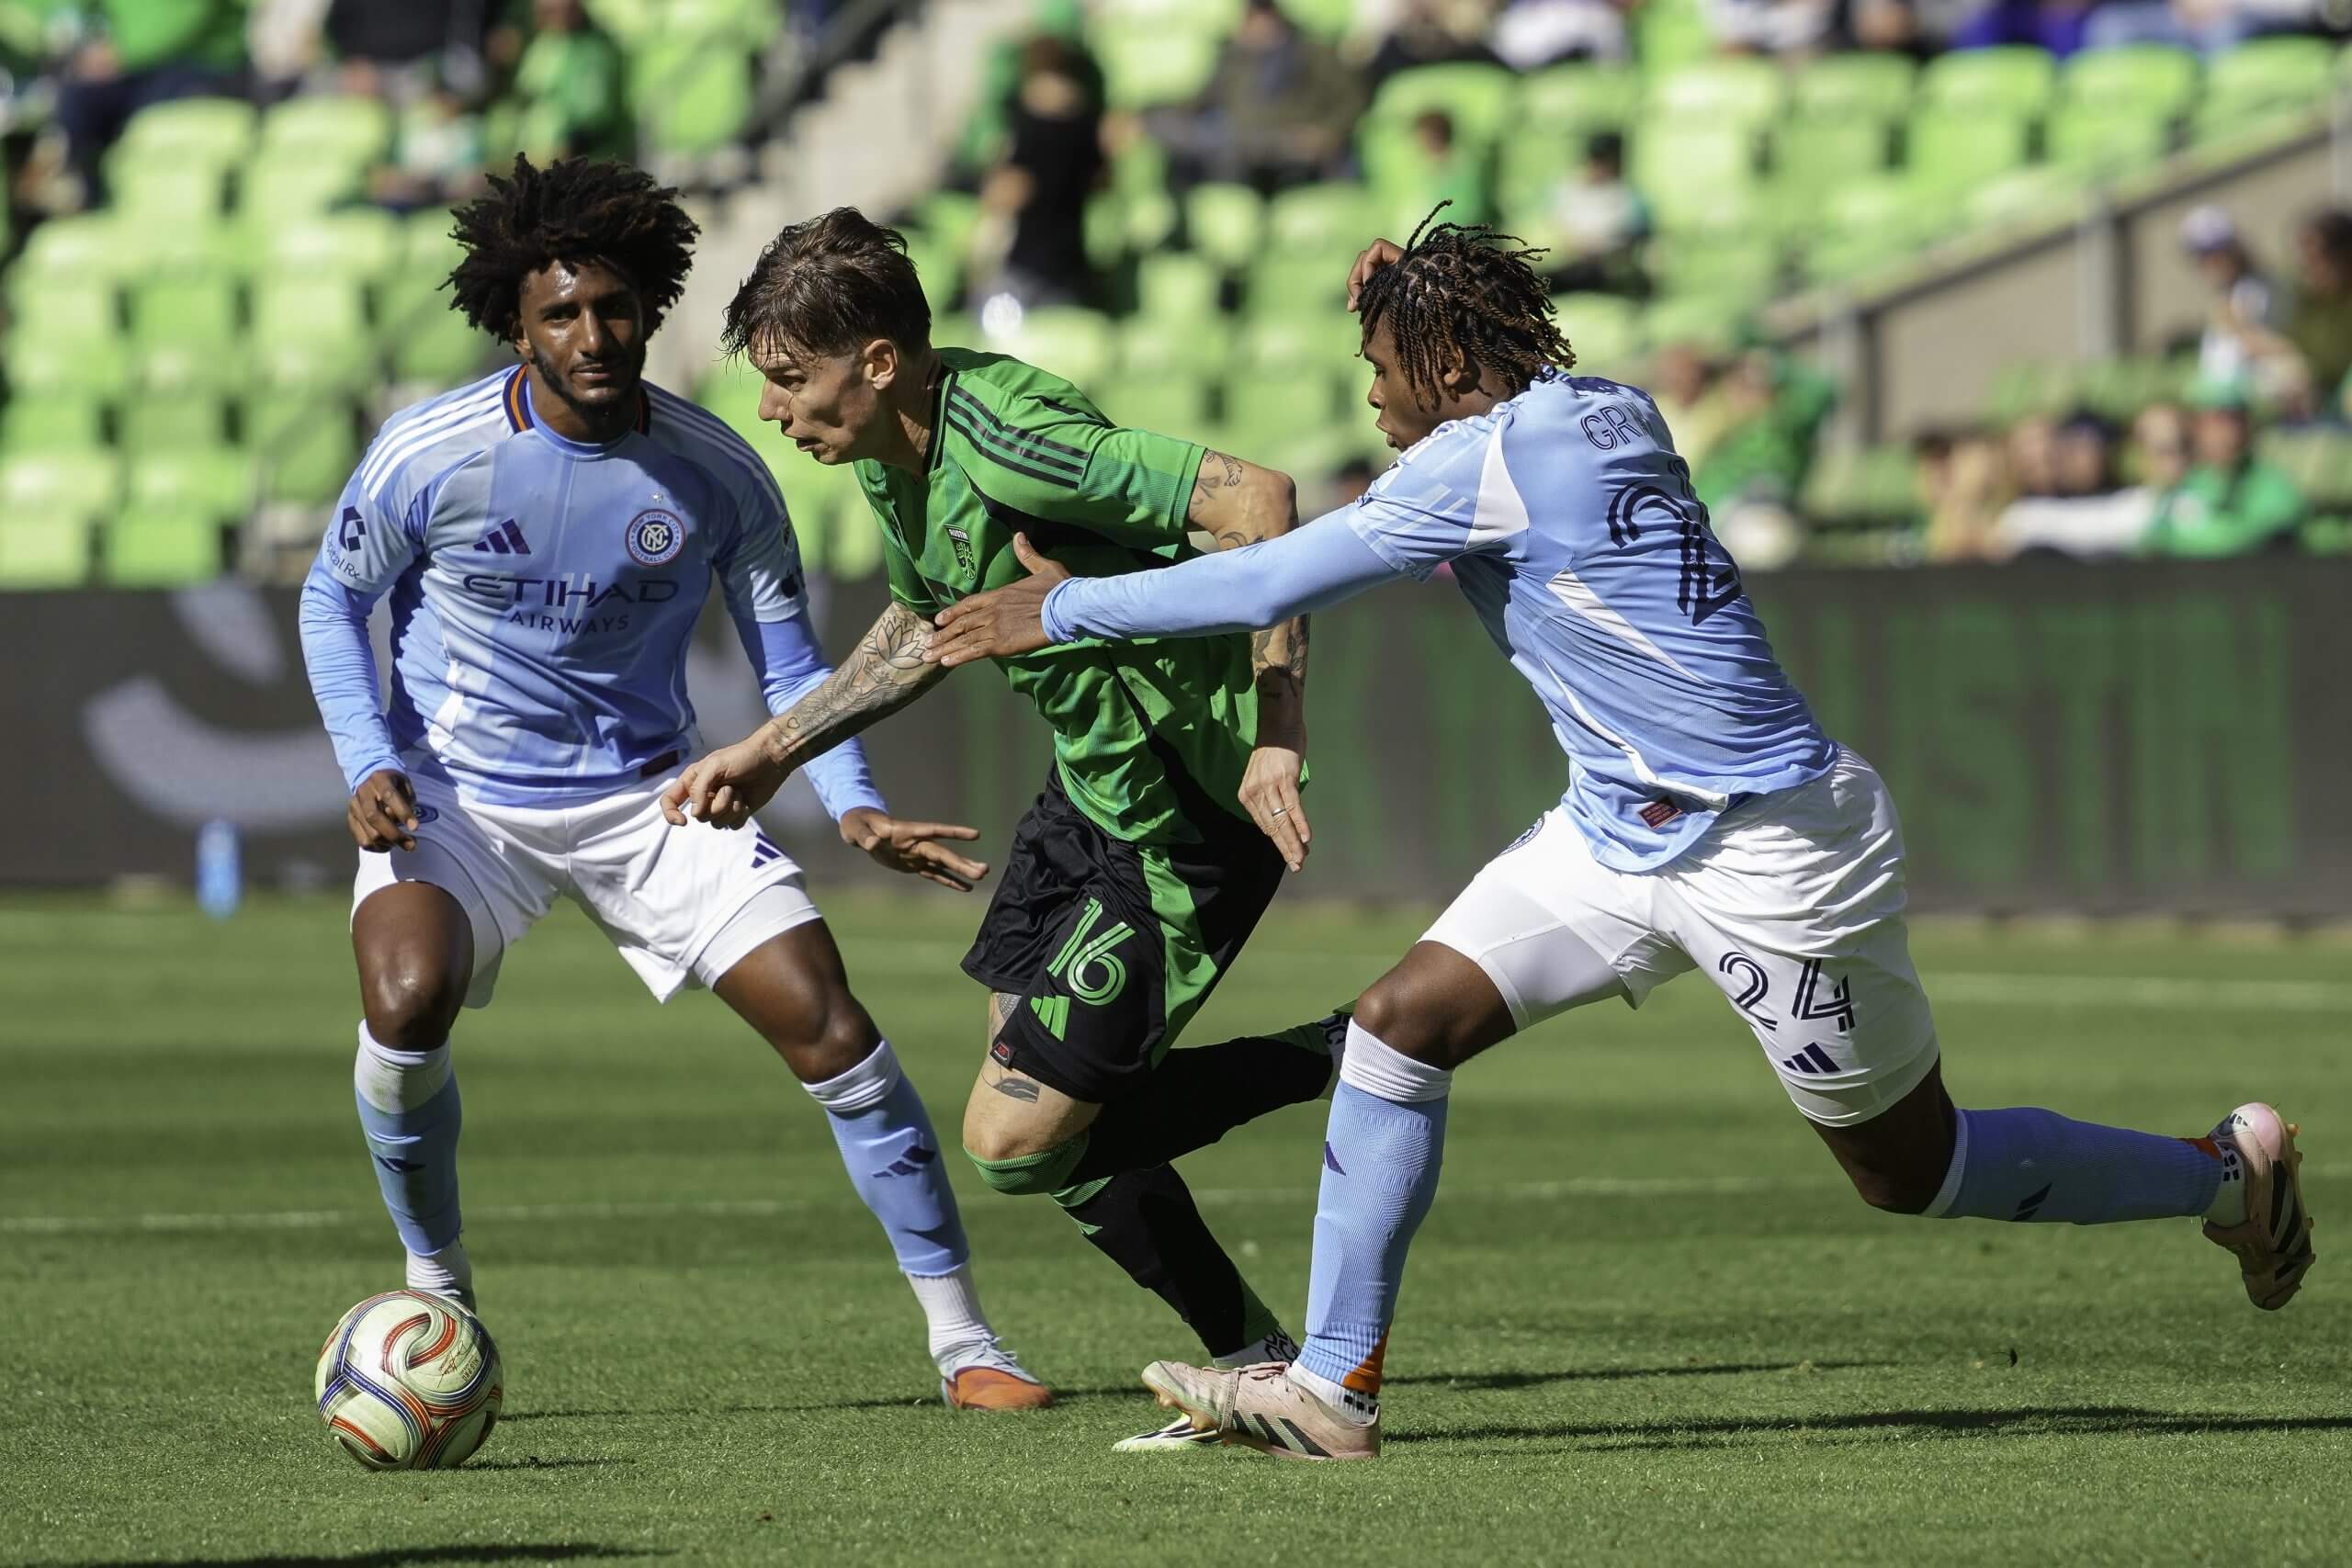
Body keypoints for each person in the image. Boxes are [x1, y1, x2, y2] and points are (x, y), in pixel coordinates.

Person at [919, 211, 2316, 1460]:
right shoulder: (1609, 406)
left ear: (1455, 370)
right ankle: (1334, 1380)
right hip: (1611, 830)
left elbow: (1283, 573)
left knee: (1915, 1170)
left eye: (1387, 373)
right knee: (1402, 1021)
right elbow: (1442, 412)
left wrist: (1066, 610)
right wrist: (1406, 293)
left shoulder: (1482, 464)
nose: (1372, 398)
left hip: (1770, 847)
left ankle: (2221, 1172)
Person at [296, 156, 1050, 1413]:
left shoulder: (717, 471)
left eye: (616, 308)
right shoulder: (431, 451)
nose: (593, 335)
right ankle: (437, 1279)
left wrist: (849, 799)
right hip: (462, 798)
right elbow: (336, 598)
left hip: (657, 796)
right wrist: (368, 757)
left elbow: (792, 661)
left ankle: (965, 1339)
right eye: (562, 313)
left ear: (652, 308)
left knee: (831, 1019)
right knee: (406, 996)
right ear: (516, 322)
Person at [661, 207, 1347, 1452]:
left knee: (1016, 1138)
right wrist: (773, 751)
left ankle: (1352, 1053)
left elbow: (1261, 500)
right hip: (1087, 796)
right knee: (1044, 1110)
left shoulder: (1016, 437)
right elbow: (931, 622)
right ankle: (1257, 1361)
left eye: (789, 380)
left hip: (1183, 817)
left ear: (876, 361)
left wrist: (1275, 727)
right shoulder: (884, 449)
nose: (772, 410)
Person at [2143, 376, 2305, 557]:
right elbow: (2153, 541)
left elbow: (2256, 537)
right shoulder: (2185, 486)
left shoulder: (2273, 485)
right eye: (2210, 421)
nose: (2224, 434)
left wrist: (2191, 539)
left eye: (2232, 420)